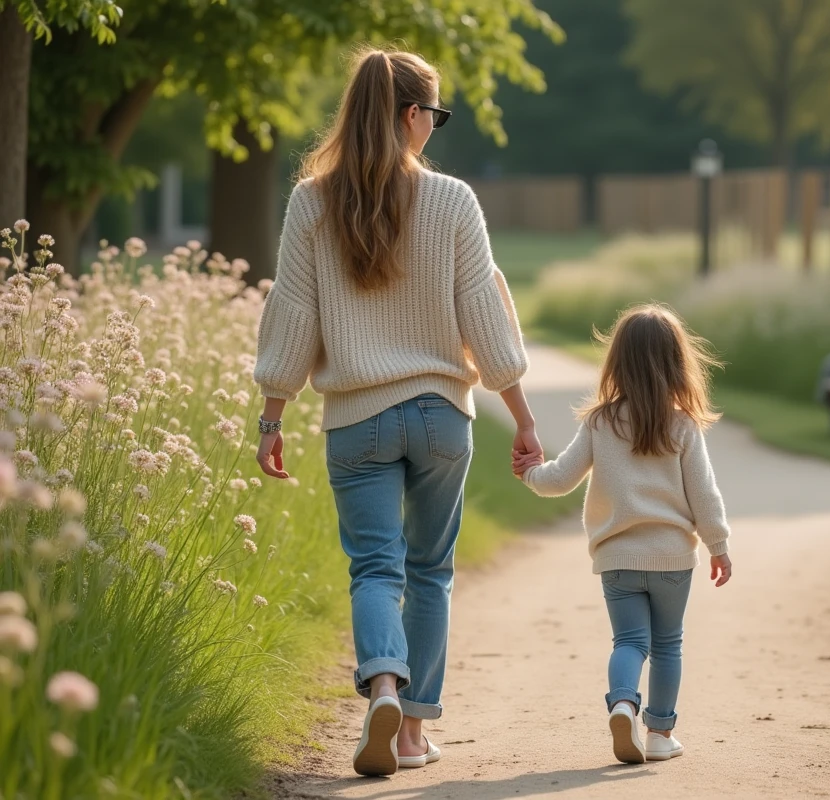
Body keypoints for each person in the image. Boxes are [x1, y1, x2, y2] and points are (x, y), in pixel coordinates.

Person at [252, 48, 542, 777]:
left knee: (375, 568)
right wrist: (523, 414)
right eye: (434, 115)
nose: (434, 129)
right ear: (411, 115)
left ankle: (383, 681)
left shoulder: (310, 202)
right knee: (431, 569)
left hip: (356, 420)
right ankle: (412, 735)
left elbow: (292, 315)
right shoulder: (453, 201)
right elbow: (485, 315)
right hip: (443, 416)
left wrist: (272, 415)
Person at [514, 304, 733, 764]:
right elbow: (705, 496)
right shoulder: (683, 426)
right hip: (672, 557)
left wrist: (531, 473)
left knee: (630, 642)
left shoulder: (600, 422)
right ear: (678, 363)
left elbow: (560, 480)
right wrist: (719, 546)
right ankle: (659, 735)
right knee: (668, 643)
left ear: (617, 361)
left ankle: (621, 704)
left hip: (617, 559)